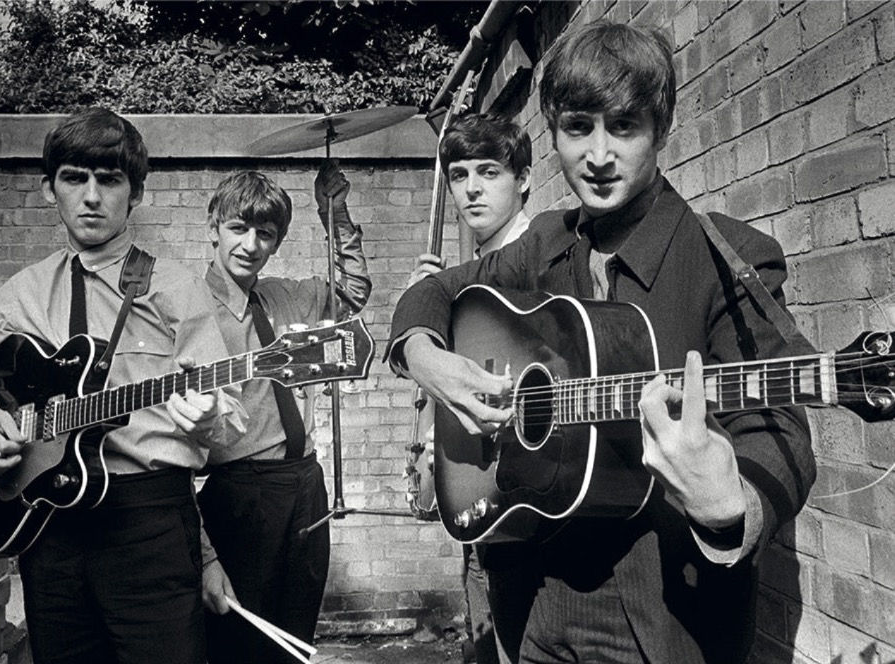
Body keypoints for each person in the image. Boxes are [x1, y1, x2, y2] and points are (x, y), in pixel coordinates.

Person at [386, 22, 816, 664]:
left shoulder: (729, 256)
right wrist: (427, 359)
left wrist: (732, 503)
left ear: (661, 129)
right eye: (579, 127)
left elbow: (778, 424)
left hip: (668, 614)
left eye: (625, 126)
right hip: (532, 604)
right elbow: (438, 293)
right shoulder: (541, 248)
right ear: (554, 132)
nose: (600, 154)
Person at [0, 107, 235, 664]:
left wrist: (207, 414)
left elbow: (227, 414)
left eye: (109, 180)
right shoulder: (24, 292)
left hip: (148, 524)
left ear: (135, 193)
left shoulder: (176, 289)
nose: (91, 196)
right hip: (49, 526)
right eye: (74, 178)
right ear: (49, 190)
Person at [196, 165, 371, 664]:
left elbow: (353, 292)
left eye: (265, 234)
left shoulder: (288, 295)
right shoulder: (185, 309)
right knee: (239, 643)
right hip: (239, 492)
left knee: (296, 637)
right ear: (213, 227)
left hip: (305, 487)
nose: (251, 244)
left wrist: (334, 212)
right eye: (238, 228)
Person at [407, 111, 534, 664]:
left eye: (489, 171)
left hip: (527, 511)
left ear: (523, 178)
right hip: (481, 500)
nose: (472, 189)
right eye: (459, 175)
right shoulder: (468, 275)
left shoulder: (539, 264)